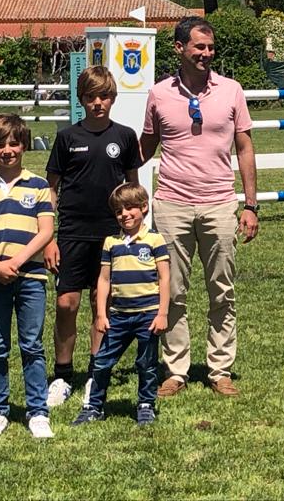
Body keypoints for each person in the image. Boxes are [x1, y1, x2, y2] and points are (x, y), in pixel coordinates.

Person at [140, 16, 259, 397]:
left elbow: (245, 148)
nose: (206, 54)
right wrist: (113, 169)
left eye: (210, 48)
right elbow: (146, 146)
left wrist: (251, 204)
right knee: (171, 291)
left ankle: (220, 369)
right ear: (180, 48)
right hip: (172, 204)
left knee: (221, 289)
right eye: (199, 47)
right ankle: (175, 371)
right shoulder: (159, 94)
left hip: (220, 204)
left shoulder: (232, 91)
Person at [43, 67, 141, 407]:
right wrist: (48, 238)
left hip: (111, 236)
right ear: (81, 99)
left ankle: (95, 375)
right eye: (90, 97)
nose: (97, 103)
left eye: (104, 96)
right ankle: (62, 375)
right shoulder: (68, 138)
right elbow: (51, 191)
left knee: (103, 306)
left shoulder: (126, 137)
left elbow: (133, 189)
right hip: (71, 233)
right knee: (66, 303)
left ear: (113, 98)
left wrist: (136, 233)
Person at [0, 114, 55, 440]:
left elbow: (46, 230)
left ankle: (37, 411)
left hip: (31, 277)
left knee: (31, 345)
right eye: (0, 144)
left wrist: (16, 261)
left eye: (13, 143)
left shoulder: (39, 186)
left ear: (24, 145)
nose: (7, 150)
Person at [72, 183, 170, 427]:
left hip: (148, 315)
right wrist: (101, 314)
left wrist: (162, 313)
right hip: (118, 316)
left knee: (146, 363)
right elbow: (103, 279)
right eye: (119, 211)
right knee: (103, 360)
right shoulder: (110, 243)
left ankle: (146, 405)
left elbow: (165, 278)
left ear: (144, 208)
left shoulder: (155, 240)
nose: (124, 214)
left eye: (130, 208)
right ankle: (93, 406)